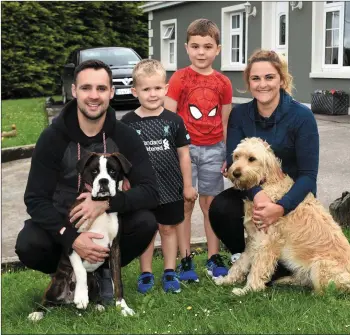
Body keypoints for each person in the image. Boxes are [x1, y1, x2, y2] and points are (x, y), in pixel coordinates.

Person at [15, 59, 159, 303]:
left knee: (146, 222)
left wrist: (105, 203)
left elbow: (150, 191)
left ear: (111, 93)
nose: (94, 96)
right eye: (86, 88)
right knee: (29, 243)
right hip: (64, 224)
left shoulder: (125, 136)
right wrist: (71, 238)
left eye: (101, 89)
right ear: (74, 91)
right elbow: (35, 199)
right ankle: (65, 272)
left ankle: (104, 271)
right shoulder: (52, 138)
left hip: (107, 224)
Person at [209, 49, 319, 281]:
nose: (263, 84)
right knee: (221, 208)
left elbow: (308, 176)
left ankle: (282, 261)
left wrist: (281, 207)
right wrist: (257, 194)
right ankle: (257, 258)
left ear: (282, 79)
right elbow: (233, 162)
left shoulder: (302, 117)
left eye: (269, 77)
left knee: (280, 222)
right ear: (248, 82)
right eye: (255, 78)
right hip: (254, 190)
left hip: (294, 196)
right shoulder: (240, 115)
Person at [164, 18, 233, 282]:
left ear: (218, 49)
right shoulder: (179, 78)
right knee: (185, 203)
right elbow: (169, 118)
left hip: (214, 149)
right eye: (195, 46)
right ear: (186, 48)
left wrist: (227, 154)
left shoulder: (223, 82)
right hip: (185, 150)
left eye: (207, 46)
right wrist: (172, 153)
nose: (201, 52)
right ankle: (184, 258)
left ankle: (213, 257)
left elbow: (225, 120)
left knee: (210, 204)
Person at [122, 59, 198, 293]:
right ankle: (145, 273)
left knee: (168, 229)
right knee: (146, 230)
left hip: (171, 187)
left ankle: (169, 271)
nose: (152, 94)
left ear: (165, 88)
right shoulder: (127, 123)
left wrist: (187, 186)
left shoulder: (174, 121)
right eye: (146, 89)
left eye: (157, 88)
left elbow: (184, 156)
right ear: (135, 91)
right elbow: (121, 159)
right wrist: (124, 183)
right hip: (141, 190)